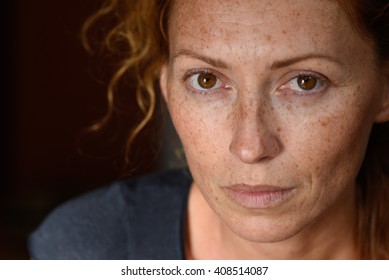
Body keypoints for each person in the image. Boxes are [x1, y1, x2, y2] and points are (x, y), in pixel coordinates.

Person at [28, 0, 389, 259]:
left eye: (306, 82)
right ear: (167, 88)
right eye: (207, 79)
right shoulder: (85, 251)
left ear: (383, 90)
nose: (250, 146)